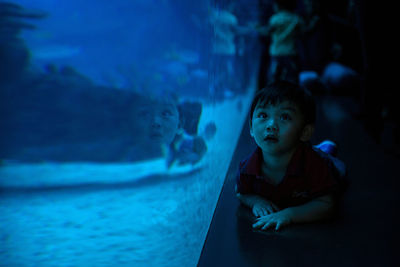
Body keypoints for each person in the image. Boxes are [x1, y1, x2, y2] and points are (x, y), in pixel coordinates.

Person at [235, 81, 346, 231]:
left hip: (326, 162)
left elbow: (327, 205)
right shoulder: (248, 166)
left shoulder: (315, 165)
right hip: (302, 149)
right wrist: (256, 201)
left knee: (340, 170)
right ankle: (321, 147)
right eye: (263, 115)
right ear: (251, 128)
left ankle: (324, 149)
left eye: (284, 117)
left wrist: (289, 214)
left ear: (305, 131)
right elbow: (241, 192)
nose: (271, 125)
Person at [255, 0, 319, 84]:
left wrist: (258, 28)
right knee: (292, 74)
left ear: (279, 6)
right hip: (290, 52)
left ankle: (275, 93)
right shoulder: (296, 19)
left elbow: (268, 31)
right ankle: (291, 93)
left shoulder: (276, 19)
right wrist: (313, 24)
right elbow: (304, 32)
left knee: (275, 75)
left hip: (276, 52)